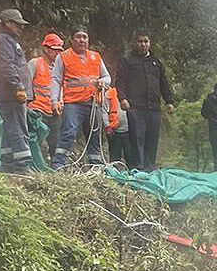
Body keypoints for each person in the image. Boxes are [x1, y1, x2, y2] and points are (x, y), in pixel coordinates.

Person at [49, 27, 110, 169]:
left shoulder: (96, 57)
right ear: (71, 39)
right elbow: (56, 80)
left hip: (93, 103)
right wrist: (54, 100)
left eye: (85, 37)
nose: (82, 40)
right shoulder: (63, 57)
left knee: (94, 137)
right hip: (73, 104)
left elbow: (107, 77)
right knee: (68, 133)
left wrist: (102, 82)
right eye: (78, 37)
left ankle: (96, 167)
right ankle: (58, 165)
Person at [114, 32, 174, 171]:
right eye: (140, 41)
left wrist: (169, 101)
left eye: (146, 41)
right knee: (137, 139)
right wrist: (122, 98)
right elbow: (120, 82)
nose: (143, 44)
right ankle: (138, 169)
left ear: (149, 43)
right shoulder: (127, 60)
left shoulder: (156, 62)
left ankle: (149, 168)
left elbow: (163, 83)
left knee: (152, 140)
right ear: (134, 43)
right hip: (135, 108)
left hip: (154, 108)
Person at [0, 8, 32, 173]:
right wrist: (19, 87)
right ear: (7, 23)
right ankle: (22, 165)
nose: (21, 27)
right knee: (17, 127)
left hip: (10, 94)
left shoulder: (8, 40)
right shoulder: (4, 41)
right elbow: (6, 66)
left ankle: (7, 163)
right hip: (11, 94)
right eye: (17, 24)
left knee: (10, 128)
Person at [28, 33, 64, 163]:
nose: (57, 53)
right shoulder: (35, 64)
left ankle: (55, 167)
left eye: (59, 50)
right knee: (37, 141)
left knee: (56, 142)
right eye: (54, 49)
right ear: (47, 49)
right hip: (37, 111)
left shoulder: (59, 68)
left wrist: (60, 103)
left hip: (54, 111)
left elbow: (61, 88)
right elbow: (27, 85)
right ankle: (36, 166)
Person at [104, 86, 135, 167]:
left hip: (130, 132)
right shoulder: (109, 94)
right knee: (114, 158)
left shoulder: (132, 92)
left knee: (131, 156)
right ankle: (114, 175)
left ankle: (133, 173)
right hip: (114, 132)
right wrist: (107, 126)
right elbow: (103, 111)